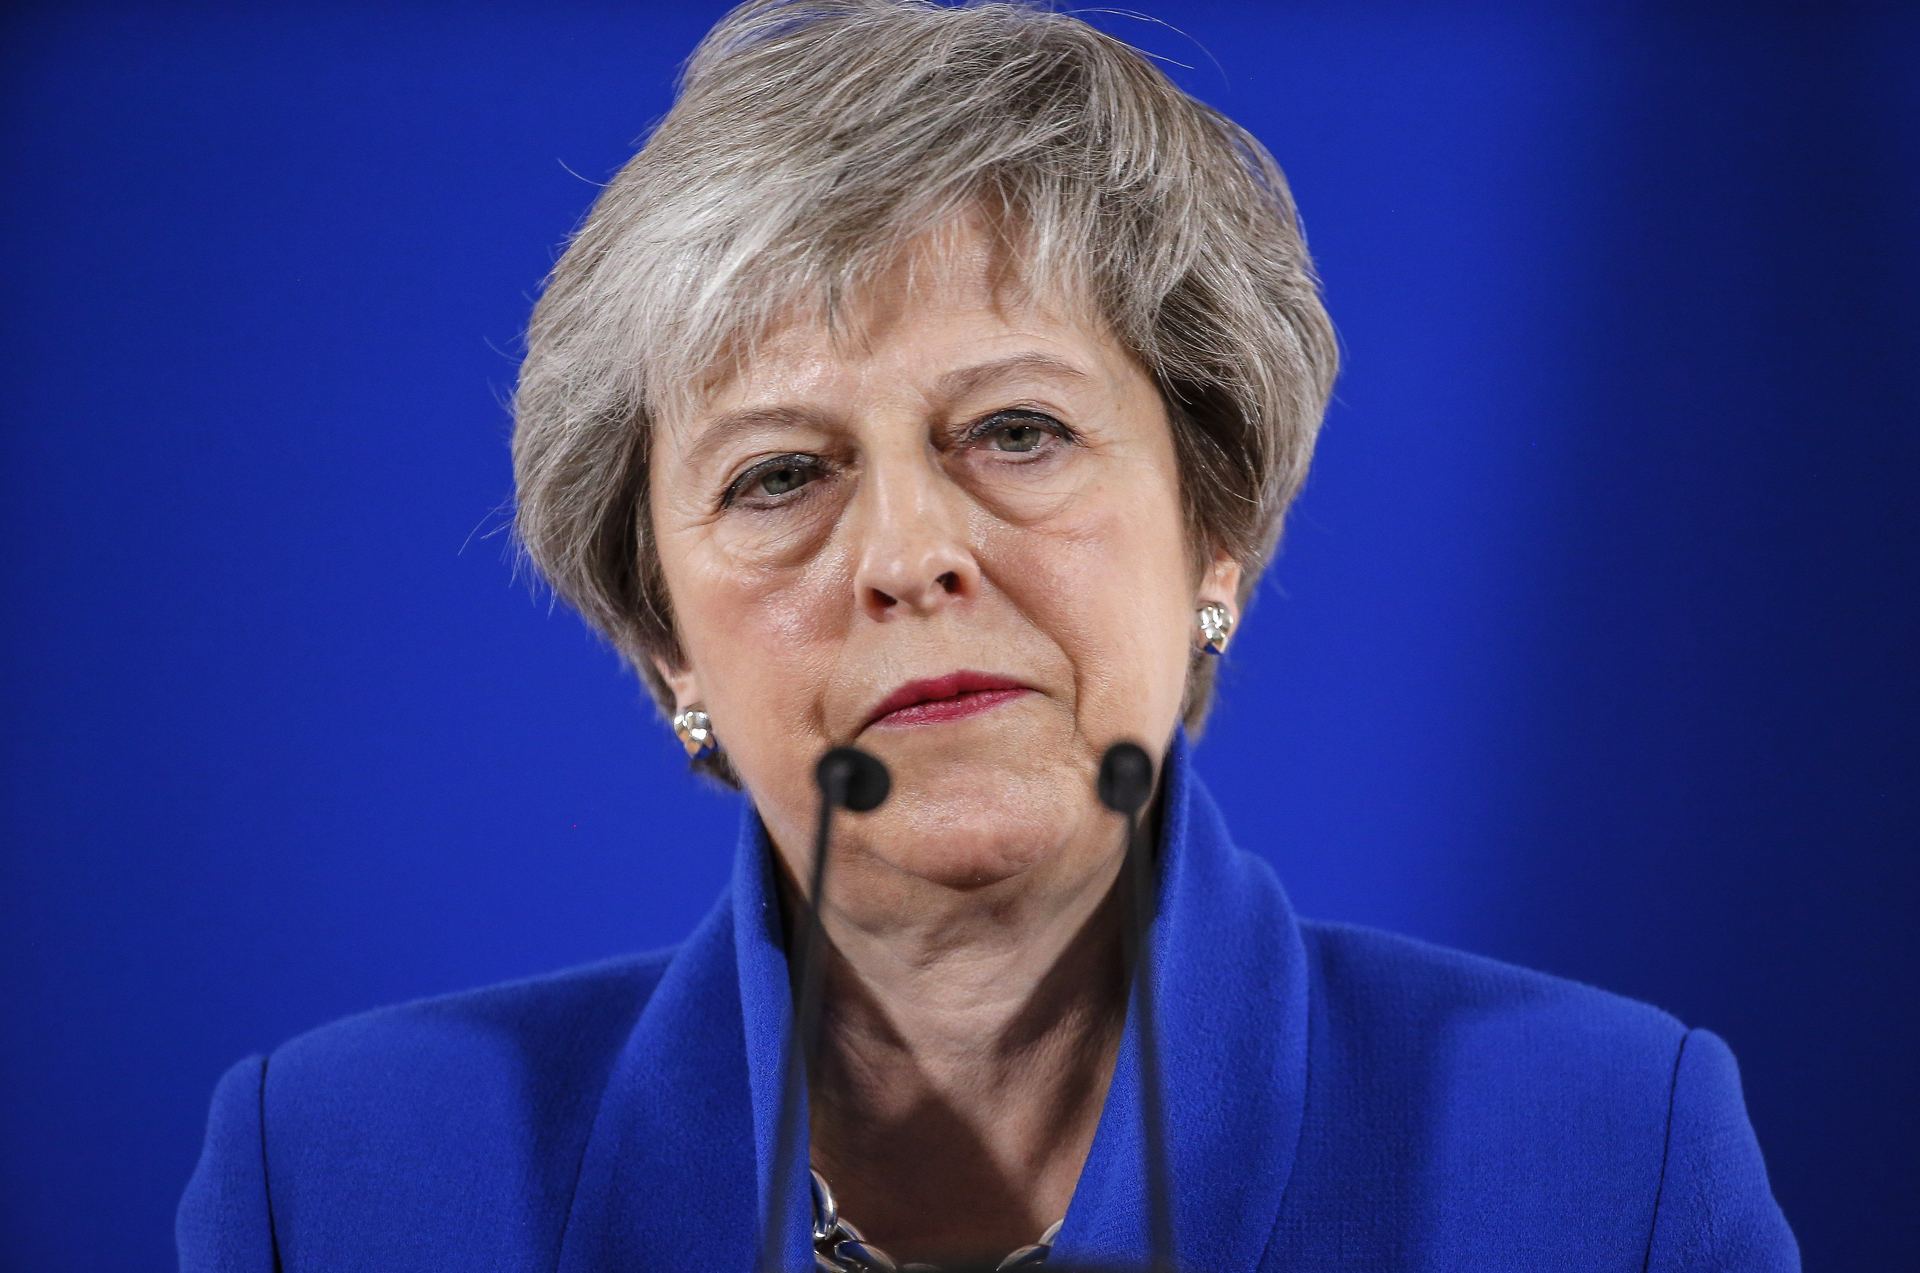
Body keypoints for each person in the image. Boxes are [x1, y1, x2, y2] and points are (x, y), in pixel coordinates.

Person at [177, 2, 1800, 1269]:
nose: (909, 555)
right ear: (665, 636)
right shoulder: (329, 1180)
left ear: (1212, 526)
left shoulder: (1609, 1153)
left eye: (1016, 431)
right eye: (783, 472)